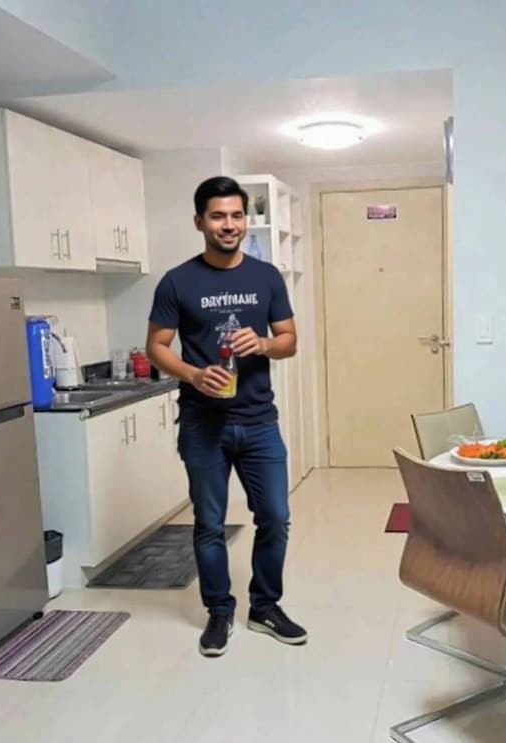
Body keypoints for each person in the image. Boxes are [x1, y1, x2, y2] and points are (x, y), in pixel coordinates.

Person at [146, 176, 306, 657]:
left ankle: (265, 606)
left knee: (275, 517)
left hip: (258, 420)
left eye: (237, 215)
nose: (229, 224)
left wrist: (263, 343)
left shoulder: (266, 277)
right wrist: (193, 375)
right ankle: (219, 611)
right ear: (200, 221)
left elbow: (289, 340)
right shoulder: (177, 281)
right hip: (203, 424)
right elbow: (156, 346)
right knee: (209, 524)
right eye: (218, 216)